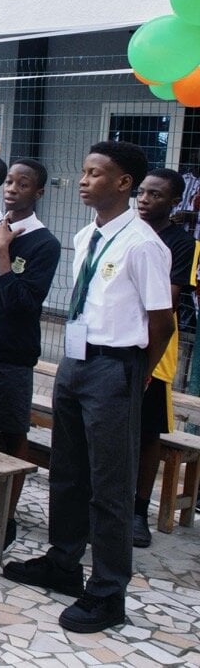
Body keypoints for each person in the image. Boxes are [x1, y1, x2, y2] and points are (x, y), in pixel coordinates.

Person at [3, 141, 173, 634]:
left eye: (95, 173)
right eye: (83, 171)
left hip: (114, 367)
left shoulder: (142, 244)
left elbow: (161, 322)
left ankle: (108, 591)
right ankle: (63, 562)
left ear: (124, 183)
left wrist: (137, 372)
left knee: (109, 484)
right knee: (68, 470)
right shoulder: (88, 234)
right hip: (75, 361)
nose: (83, 180)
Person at [0, 160, 59, 551]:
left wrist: (3, 252)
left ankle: (4, 519)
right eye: (9, 182)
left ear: (38, 193)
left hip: (11, 355)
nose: (12, 189)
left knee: (11, 434)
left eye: (23, 184)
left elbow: (23, 304)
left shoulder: (44, 243)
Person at [132, 168, 196, 548]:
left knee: (148, 431)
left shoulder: (181, 243)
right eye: (142, 192)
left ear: (174, 202)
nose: (144, 199)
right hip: (117, 342)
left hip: (156, 347)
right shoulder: (126, 232)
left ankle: (139, 512)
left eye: (155, 194)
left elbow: (168, 301)